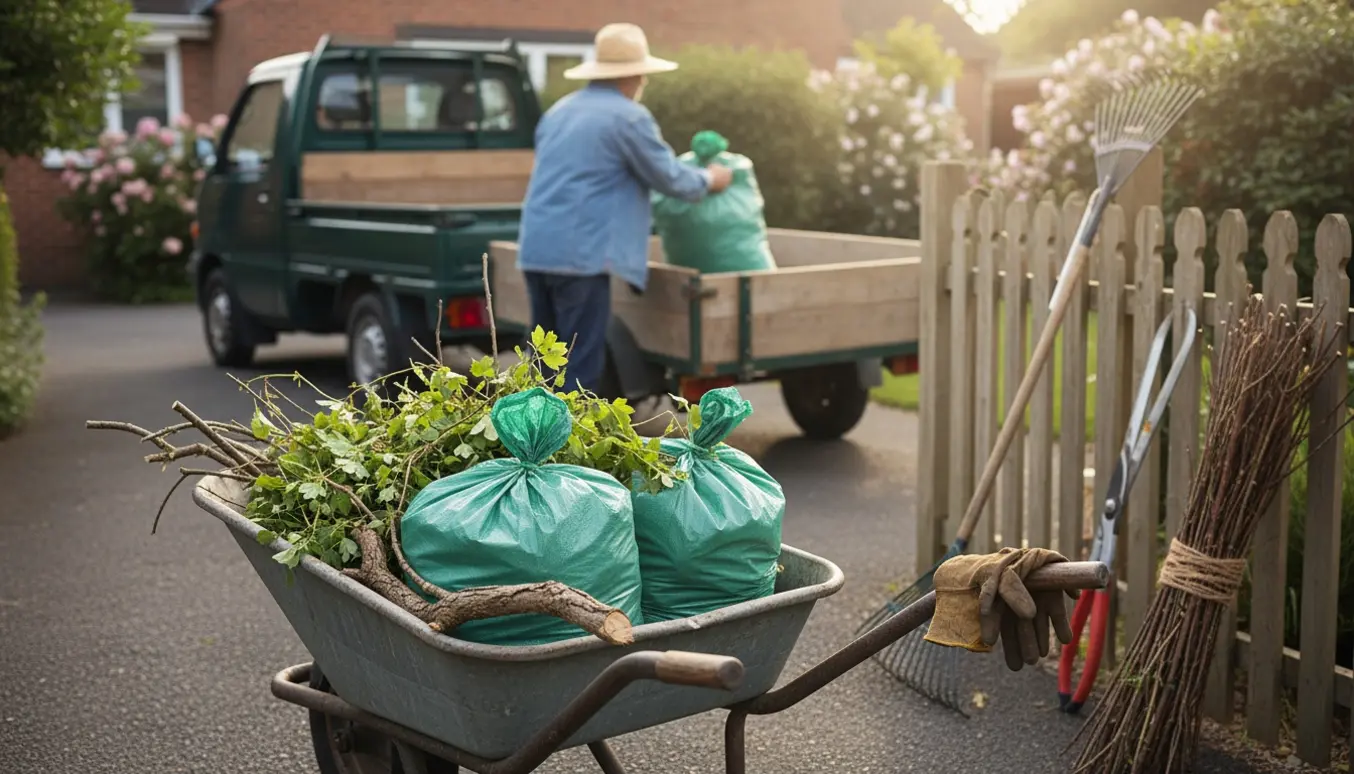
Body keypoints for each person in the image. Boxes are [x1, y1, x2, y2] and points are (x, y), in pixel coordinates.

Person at [515, 22, 733, 394]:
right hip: (580, 258)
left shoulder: (559, 111)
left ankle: (535, 446)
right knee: (579, 368)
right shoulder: (629, 117)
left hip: (537, 250)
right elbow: (669, 178)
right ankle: (567, 450)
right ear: (634, 75)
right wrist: (711, 179)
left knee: (545, 367)